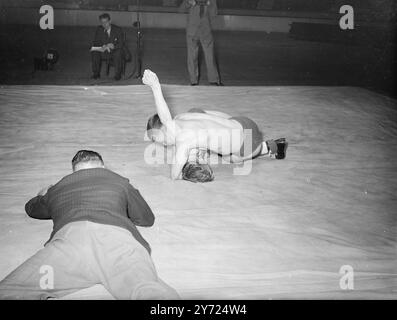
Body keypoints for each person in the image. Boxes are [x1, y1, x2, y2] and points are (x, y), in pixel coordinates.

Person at [0, 150, 179, 300]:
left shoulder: (57, 188)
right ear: (103, 166)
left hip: (69, 245)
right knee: (148, 293)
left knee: (13, 290)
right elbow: (146, 219)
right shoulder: (118, 180)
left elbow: (32, 209)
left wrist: (42, 194)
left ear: (74, 172)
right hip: (118, 244)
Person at [143, 69, 287, 182]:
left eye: (156, 139)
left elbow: (174, 175)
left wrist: (156, 88)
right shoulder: (183, 117)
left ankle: (270, 146)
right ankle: (261, 146)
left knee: (233, 159)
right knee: (222, 152)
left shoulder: (182, 139)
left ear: (163, 130)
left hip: (248, 140)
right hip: (241, 121)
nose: (162, 144)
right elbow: (212, 115)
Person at [179, 0, 222, 86]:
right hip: (193, 30)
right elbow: (181, 9)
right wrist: (188, 3)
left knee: (209, 55)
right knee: (192, 56)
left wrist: (210, 5)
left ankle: (212, 80)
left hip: (204, 30)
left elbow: (214, 14)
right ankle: (194, 80)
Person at [91, 13, 126, 81]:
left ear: (110, 21)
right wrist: (103, 46)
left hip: (114, 50)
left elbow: (121, 43)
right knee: (94, 52)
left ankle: (117, 75)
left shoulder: (117, 29)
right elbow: (96, 42)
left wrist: (113, 46)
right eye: (102, 22)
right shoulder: (99, 29)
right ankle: (96, 73)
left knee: (118, 53)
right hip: (104, 50)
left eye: (106, 22)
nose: (104, 24)